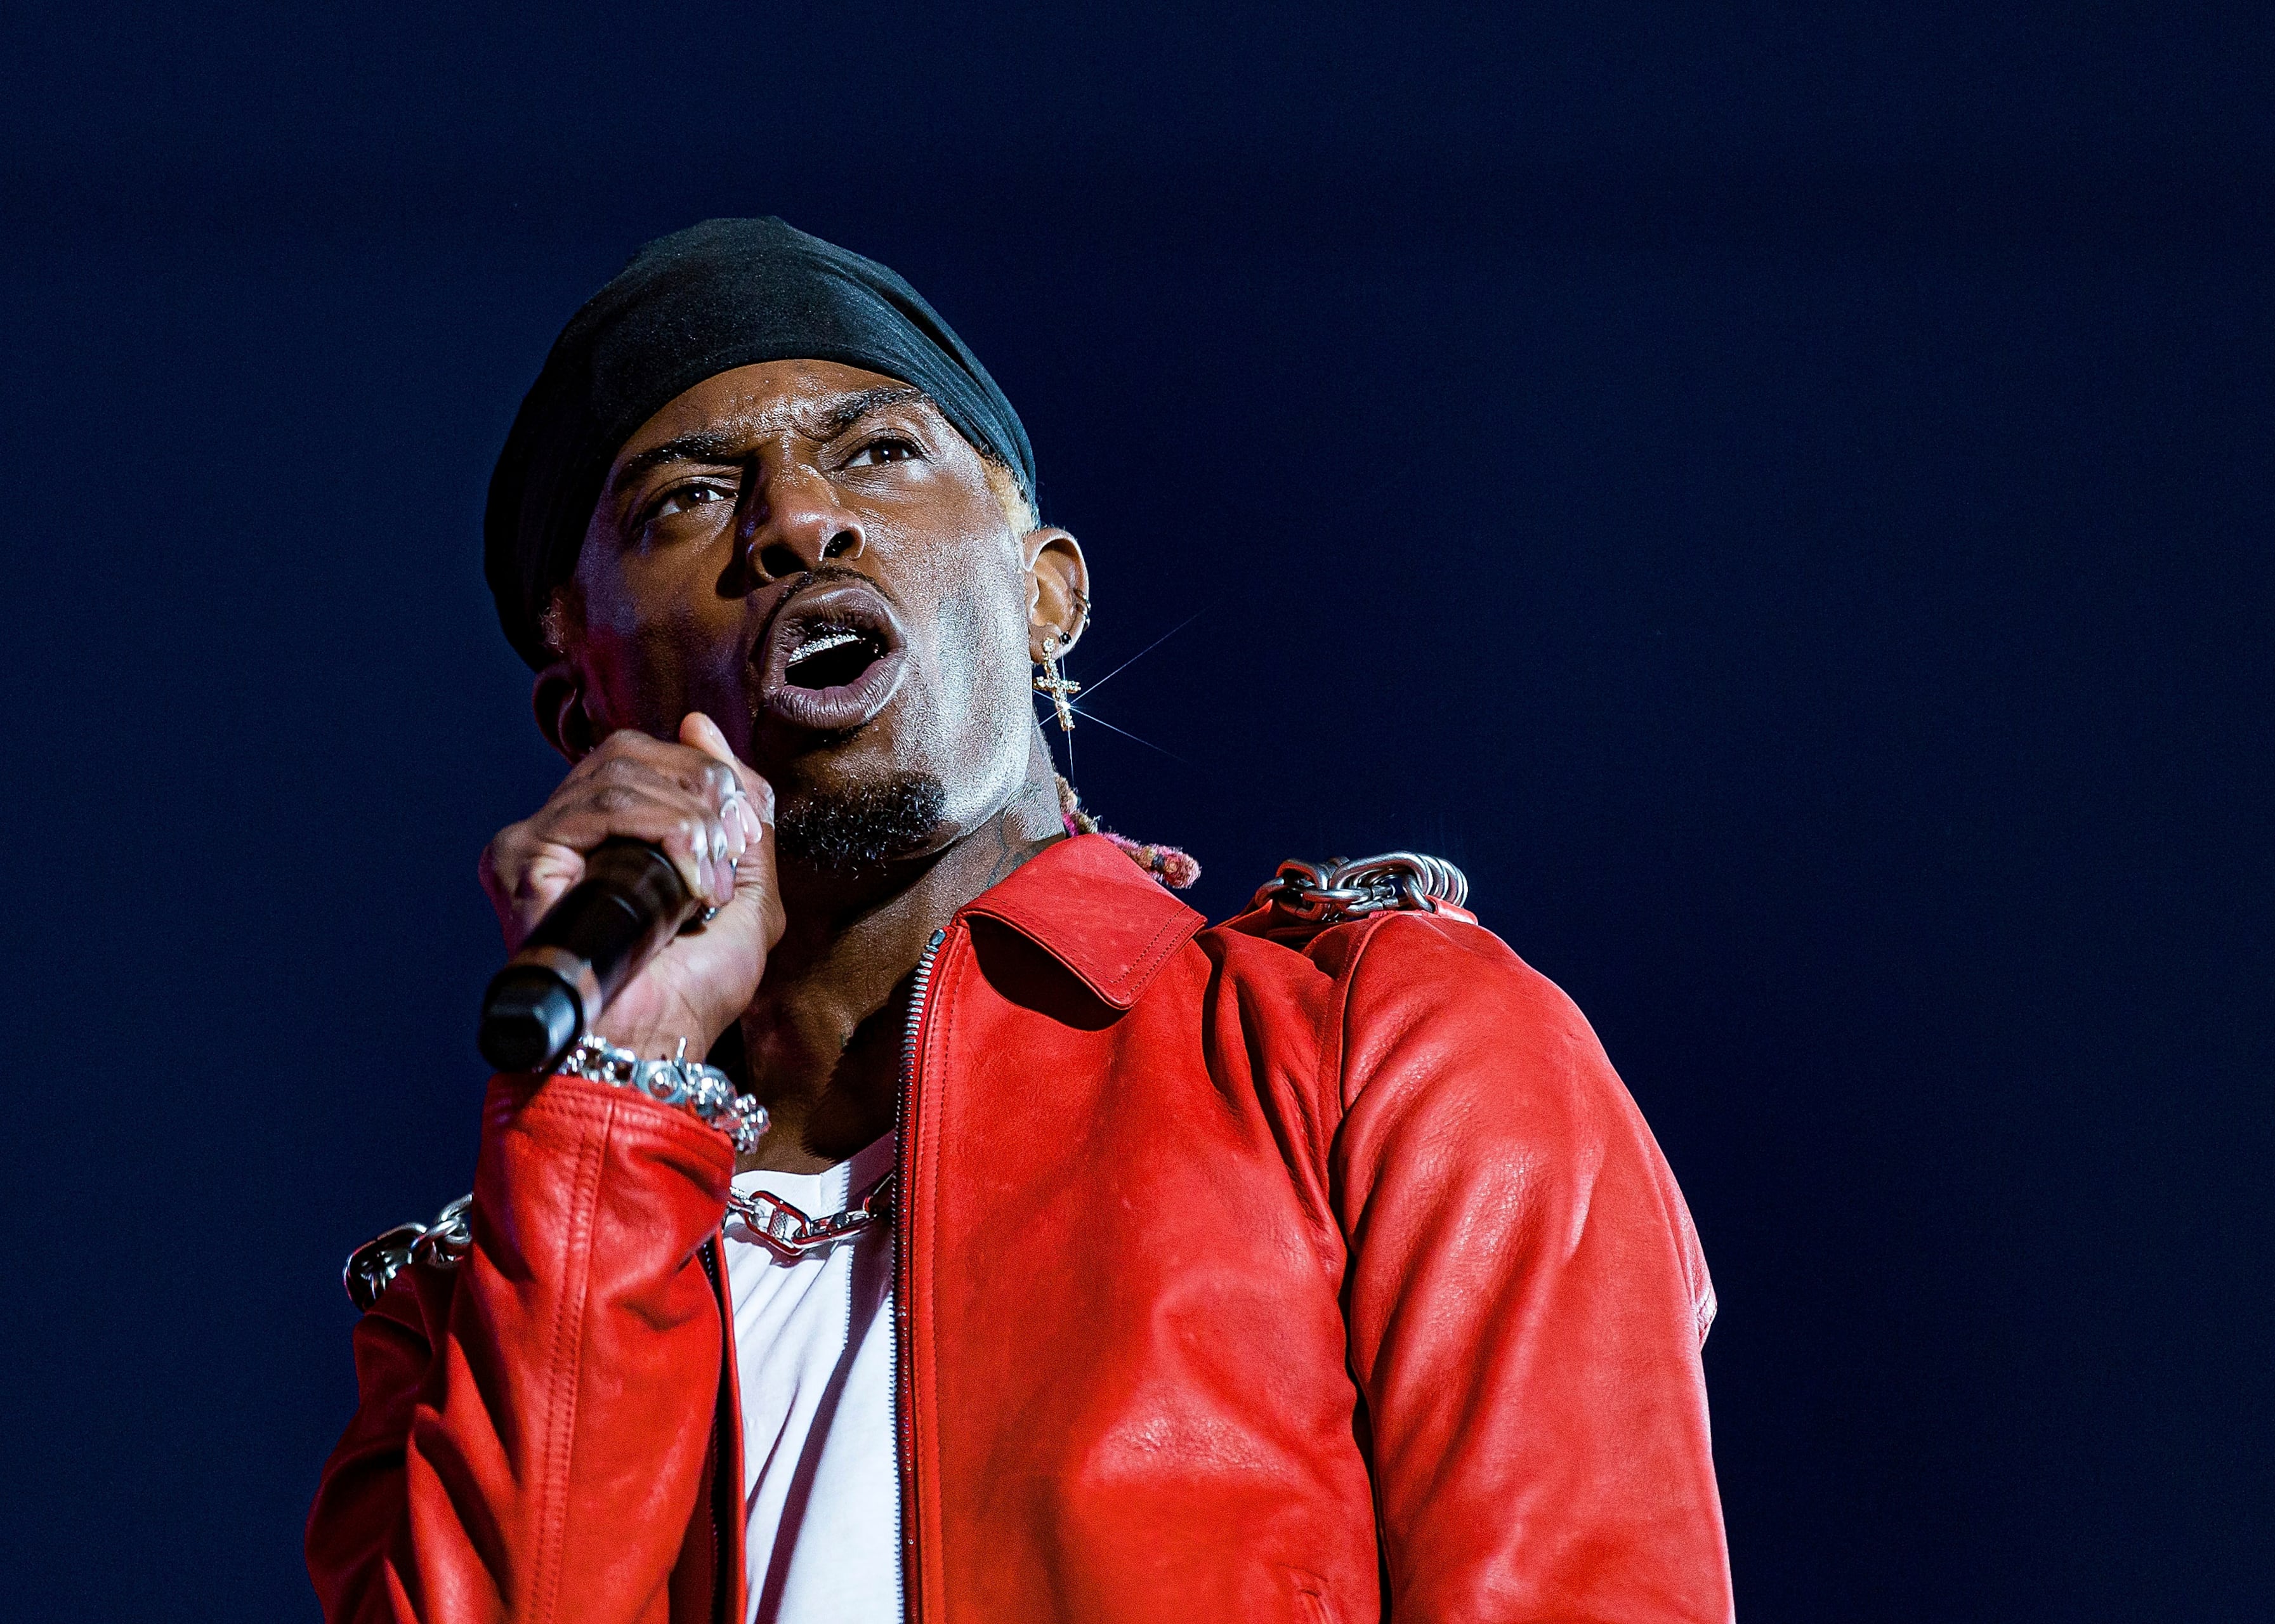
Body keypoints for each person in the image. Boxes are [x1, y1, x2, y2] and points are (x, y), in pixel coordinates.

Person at [306, 217, 1733, 1623]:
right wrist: (611, 1103)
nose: (797, 519)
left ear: (1046, 594)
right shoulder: (477, 1323)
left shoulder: (1381, 1054)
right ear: (585, 714)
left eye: (877, 450)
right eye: (686, 498)